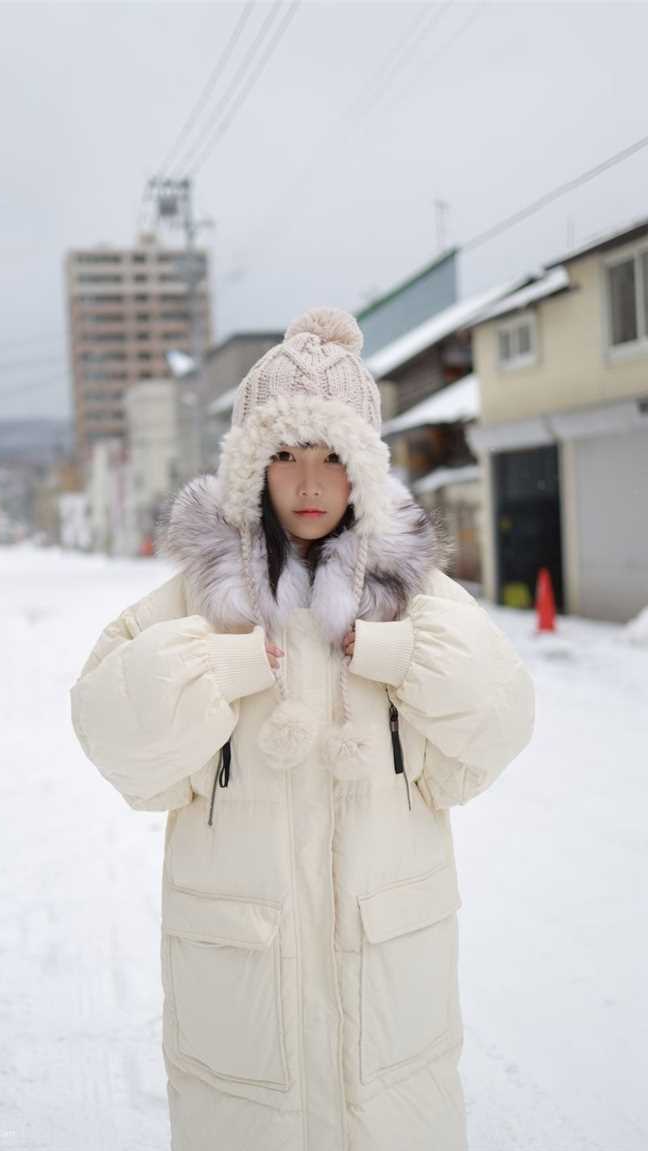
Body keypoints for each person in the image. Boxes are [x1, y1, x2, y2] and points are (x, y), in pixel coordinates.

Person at [69, 307, 535, 1151]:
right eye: (285, 455)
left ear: (365, 469)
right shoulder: (200, 599)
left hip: (389, 1016)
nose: (309, 483)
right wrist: (222, 665)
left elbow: (502, 716)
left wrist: (401, 653)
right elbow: (109, 726)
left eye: (332, 456)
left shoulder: (417, 599)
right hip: (247, 1016)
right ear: (252, 467)